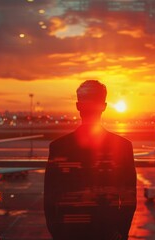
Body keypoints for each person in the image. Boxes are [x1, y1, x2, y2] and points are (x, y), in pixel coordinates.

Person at [44, 80, 137, 240]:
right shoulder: (123, 146)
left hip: (69, 232)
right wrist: (121, 232)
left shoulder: (58, 147)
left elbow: (50, 198)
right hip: (108, 232)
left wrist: (58, 233)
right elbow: (129, 198)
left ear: (78, 106)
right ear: (104, 106)